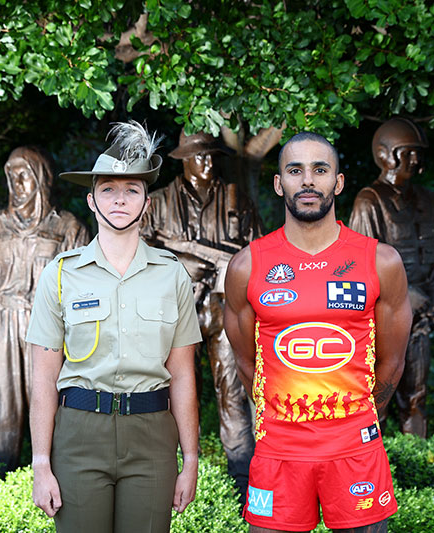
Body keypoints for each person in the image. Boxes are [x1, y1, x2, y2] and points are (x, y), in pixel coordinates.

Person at [224, 132, 412, 532]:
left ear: (338, 182)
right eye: (295, 170)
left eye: (320, 170)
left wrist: (355, 419)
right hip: (279, 451)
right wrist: (279, 414)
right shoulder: (247, 267)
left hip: (355, 451)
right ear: (279, 184)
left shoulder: (380, 261)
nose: (307, 181)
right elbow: (245, 362)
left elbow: (392, 361)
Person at [26, 121, 202, 533]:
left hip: (152, 434)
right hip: (80, 435)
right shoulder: (59, 274)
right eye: (108, 189)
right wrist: (40, 463)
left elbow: (182, 374)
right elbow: (43, 379)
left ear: (146, 203)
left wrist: (190, 459)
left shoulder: (172, 274)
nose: (119, 200)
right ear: (91, 200)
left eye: (131, 190)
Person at [141, 130, 261, 499]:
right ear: (183, 160)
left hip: (227, 309)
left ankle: (244, 480)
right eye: (199, 157)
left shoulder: (236, 198)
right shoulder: (158, 203)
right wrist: (183, 261)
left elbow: (259, 253)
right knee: (166, 391)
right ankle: (163, 477)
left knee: (234, 392)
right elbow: (136, 252)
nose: (207, 163)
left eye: (212, 156)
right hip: (174, 311)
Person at [0, 146, 90, 470]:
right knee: (2, 409)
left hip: (49, 326)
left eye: (23, 176)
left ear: (41, 178)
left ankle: (58, 474)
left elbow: (81, 292)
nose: (16, 185)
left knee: (49, 401)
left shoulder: (68, 227)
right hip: (4, 323)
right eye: (11, 177)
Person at [348, 117, 434, 437]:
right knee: (378, 396)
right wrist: (405, 297)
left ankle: (418, 462)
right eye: (409, 152)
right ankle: (368, 464)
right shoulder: (370, 201)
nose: (417, 160)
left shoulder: (431, 203)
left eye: (419, 153)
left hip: (419, 317)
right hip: (381, 319)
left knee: (417, 395)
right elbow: (361, 265)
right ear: (385, 155)